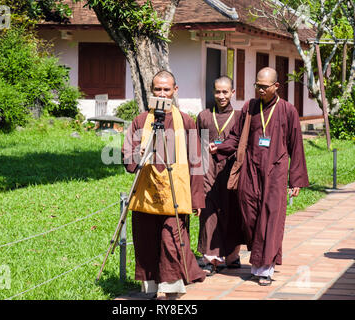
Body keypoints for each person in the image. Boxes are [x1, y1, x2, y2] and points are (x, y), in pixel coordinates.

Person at [209, 67, 309, 286]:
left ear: (276, 86)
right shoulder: (250, 107)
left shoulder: (287, 110)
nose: (260, 90)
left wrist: (296, 180)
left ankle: (264, 269)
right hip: (250, 171)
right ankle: (259, 261)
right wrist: (220, 148)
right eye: (257, 86)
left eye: (265, 87)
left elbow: (296, 147)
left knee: (271, 218)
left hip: (275, 172)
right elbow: (236, 137)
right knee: (251, 216)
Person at [122, 70, 206, 300]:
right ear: (151, 91)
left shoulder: (186, 121)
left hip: (176, 194)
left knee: (171, 241)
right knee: (147, 241)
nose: (162, 94)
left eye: (166, 89)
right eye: (157, 89)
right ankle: (151, 286)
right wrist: (137, 156)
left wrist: (197, 198)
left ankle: (170, 288)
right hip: (147, 194)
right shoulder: (141, 120)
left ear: (175, 91)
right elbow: (126, 155)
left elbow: (197, 161)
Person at [196, 76, 245, 275]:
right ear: (213, 92)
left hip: (231, 171)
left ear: (233, 92)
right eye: (218, 91)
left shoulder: (240, 116)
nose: (221, 96)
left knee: (233, 212)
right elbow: (196, 147)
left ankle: (232, 255)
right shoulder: (204, 116)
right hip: (208, 170)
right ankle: (210, 257)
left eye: (225, 92)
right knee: (208, 212)